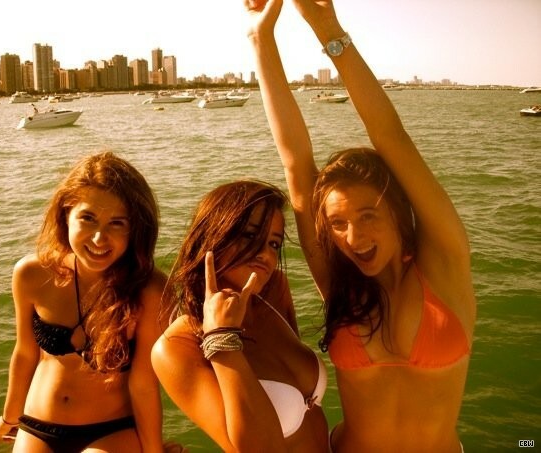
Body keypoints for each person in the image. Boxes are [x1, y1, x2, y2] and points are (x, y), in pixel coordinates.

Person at [244, 1, 476, 452]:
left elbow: (391, 136)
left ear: (397, 211)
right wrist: (261, 39)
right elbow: (296, 164)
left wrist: (326, 27)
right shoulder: (340, 283)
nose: (353, 238)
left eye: (368, 215)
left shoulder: (444, 264)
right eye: (337, 223)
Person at [0, 151, 167, 452]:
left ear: (136, 229)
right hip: (38, 424)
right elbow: (25, 353)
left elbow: (144, 383)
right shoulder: (31, 274)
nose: (99, 238)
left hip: (110, 431)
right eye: (88, 218)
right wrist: (10, 416)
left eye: (117, 223)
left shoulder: (149, 289)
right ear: (65, 215)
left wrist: (153, 451)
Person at [151, 180, 329, 452]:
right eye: (249, 236)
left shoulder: (273, 291)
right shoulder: (177, 347)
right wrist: (220, 339)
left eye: (274, 243)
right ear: (213, 236)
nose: (265, 254)